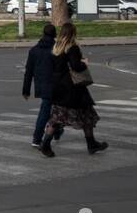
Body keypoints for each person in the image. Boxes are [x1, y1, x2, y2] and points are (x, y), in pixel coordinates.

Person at [40, 22, 107, 157]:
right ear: (72, 34)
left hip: (58, 88)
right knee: (87, 115)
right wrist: (84, 63)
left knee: (56, 117)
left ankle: (45, 144)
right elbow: (76, 66)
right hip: (73, 88)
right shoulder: (72, 47)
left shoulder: (56, 47)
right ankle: (91, 143)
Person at [23, 22, 62, 149]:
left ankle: (55, 131)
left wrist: (26, 90)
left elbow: (29, 71)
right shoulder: (57, 49)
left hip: (41, 85)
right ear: (55, 35)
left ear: (43, 34)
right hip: (56, 85)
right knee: (52, 111)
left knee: (49, 110)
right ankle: (38, 137)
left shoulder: (34, 50)